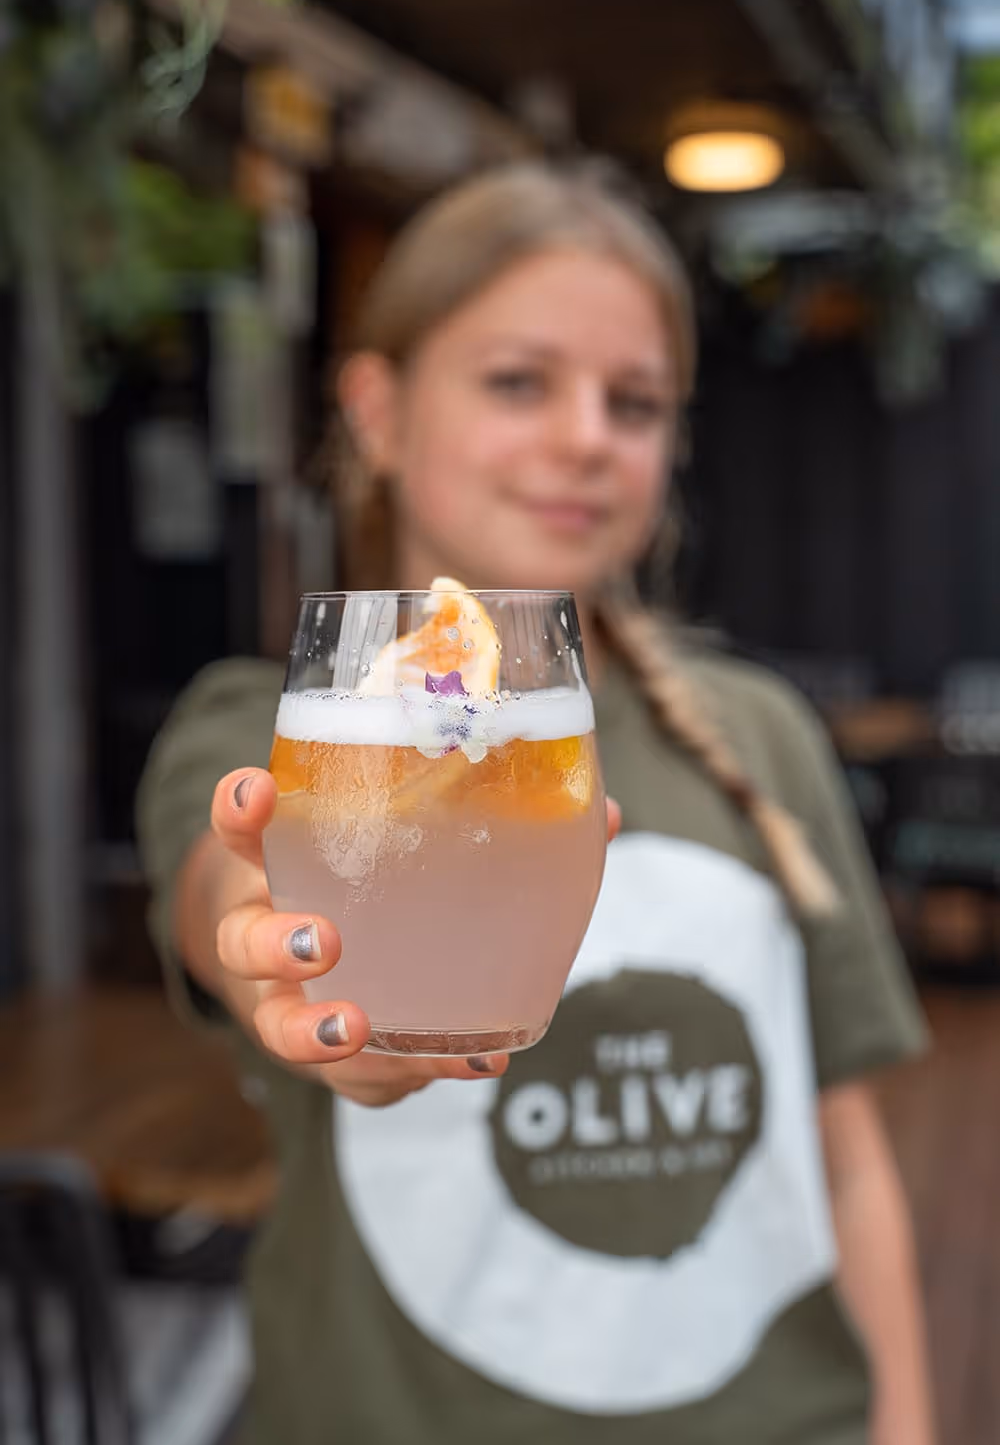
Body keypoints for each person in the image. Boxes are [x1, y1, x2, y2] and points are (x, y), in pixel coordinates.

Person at [137, 162, 935, 1444]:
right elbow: (223, 884)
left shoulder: (758, 733)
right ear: (377, 411)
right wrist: (285, 966)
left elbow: (843, 1158)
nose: (584, 437)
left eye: (635, 402)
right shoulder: (277, 723)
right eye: (518, 382)